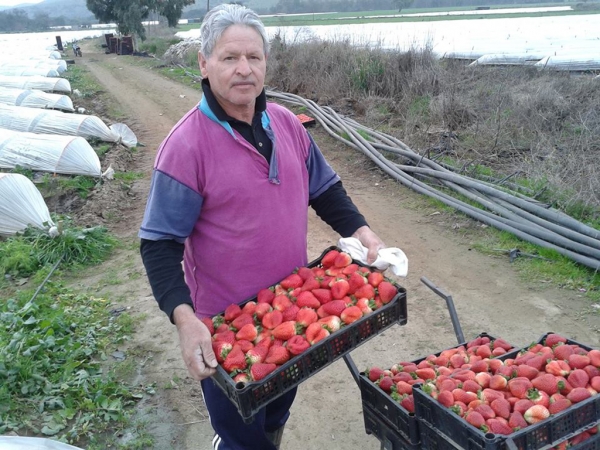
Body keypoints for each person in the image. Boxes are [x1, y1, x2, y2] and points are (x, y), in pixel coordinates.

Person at [139, 4, 386, 449]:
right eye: (230, 57)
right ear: (203, 62)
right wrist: (184, 318)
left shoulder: (289, 124)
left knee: (277, 409)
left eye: (254, 57)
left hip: (292, 308)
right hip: (227, 329)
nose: (243, 69)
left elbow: (324, 189)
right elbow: (159, 244)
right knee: (239, 432)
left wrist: (362, 231)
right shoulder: (186, 147)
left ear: (266, 63)